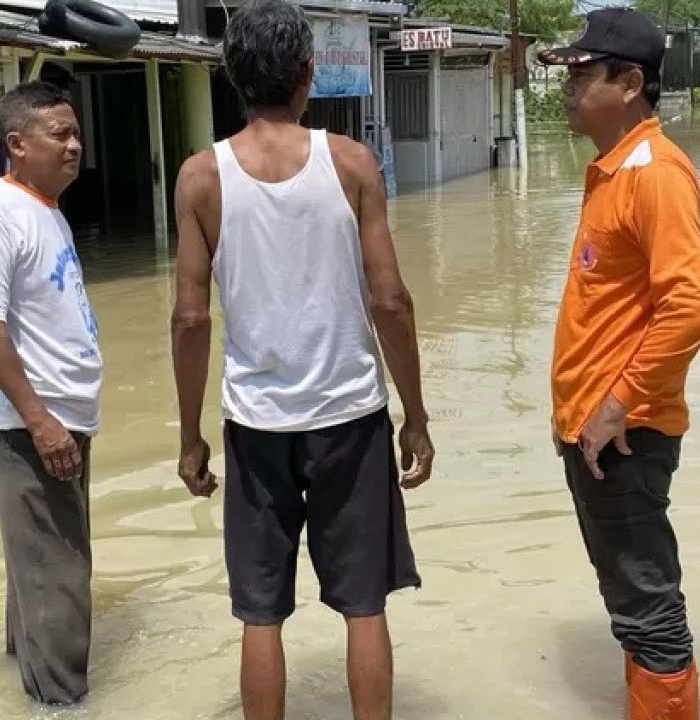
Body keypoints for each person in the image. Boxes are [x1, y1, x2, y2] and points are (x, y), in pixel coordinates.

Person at [169, 1, 434, 718]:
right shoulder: (351, 164)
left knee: (260, 613)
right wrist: (415, 415)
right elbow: (391, 301)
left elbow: (190, 319)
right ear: (308, 74)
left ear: (232, 76)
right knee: (364, 606)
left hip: (256, 424)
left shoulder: (200, 178)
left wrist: (190, 435)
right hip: (350, 416)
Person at [538, 8, 700, 720]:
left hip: (624, 434)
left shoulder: (655, 173)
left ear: (630, 84)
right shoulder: (614, 170)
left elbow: (691, 306)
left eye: (582, 74)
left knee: (648, 609)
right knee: (631, 603)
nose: (568, 88)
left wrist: (617, 402)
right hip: (596, 430)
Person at [0, 81, 100, 705]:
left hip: (63, 419)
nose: (74, 145)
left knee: (40, 571)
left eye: (76, 133)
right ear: (17, 144)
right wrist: (40, 421)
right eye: (59, 134)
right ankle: (61, 704)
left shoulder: (46, 209)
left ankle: (29, 685)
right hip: (30, 427)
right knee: (58, 579)